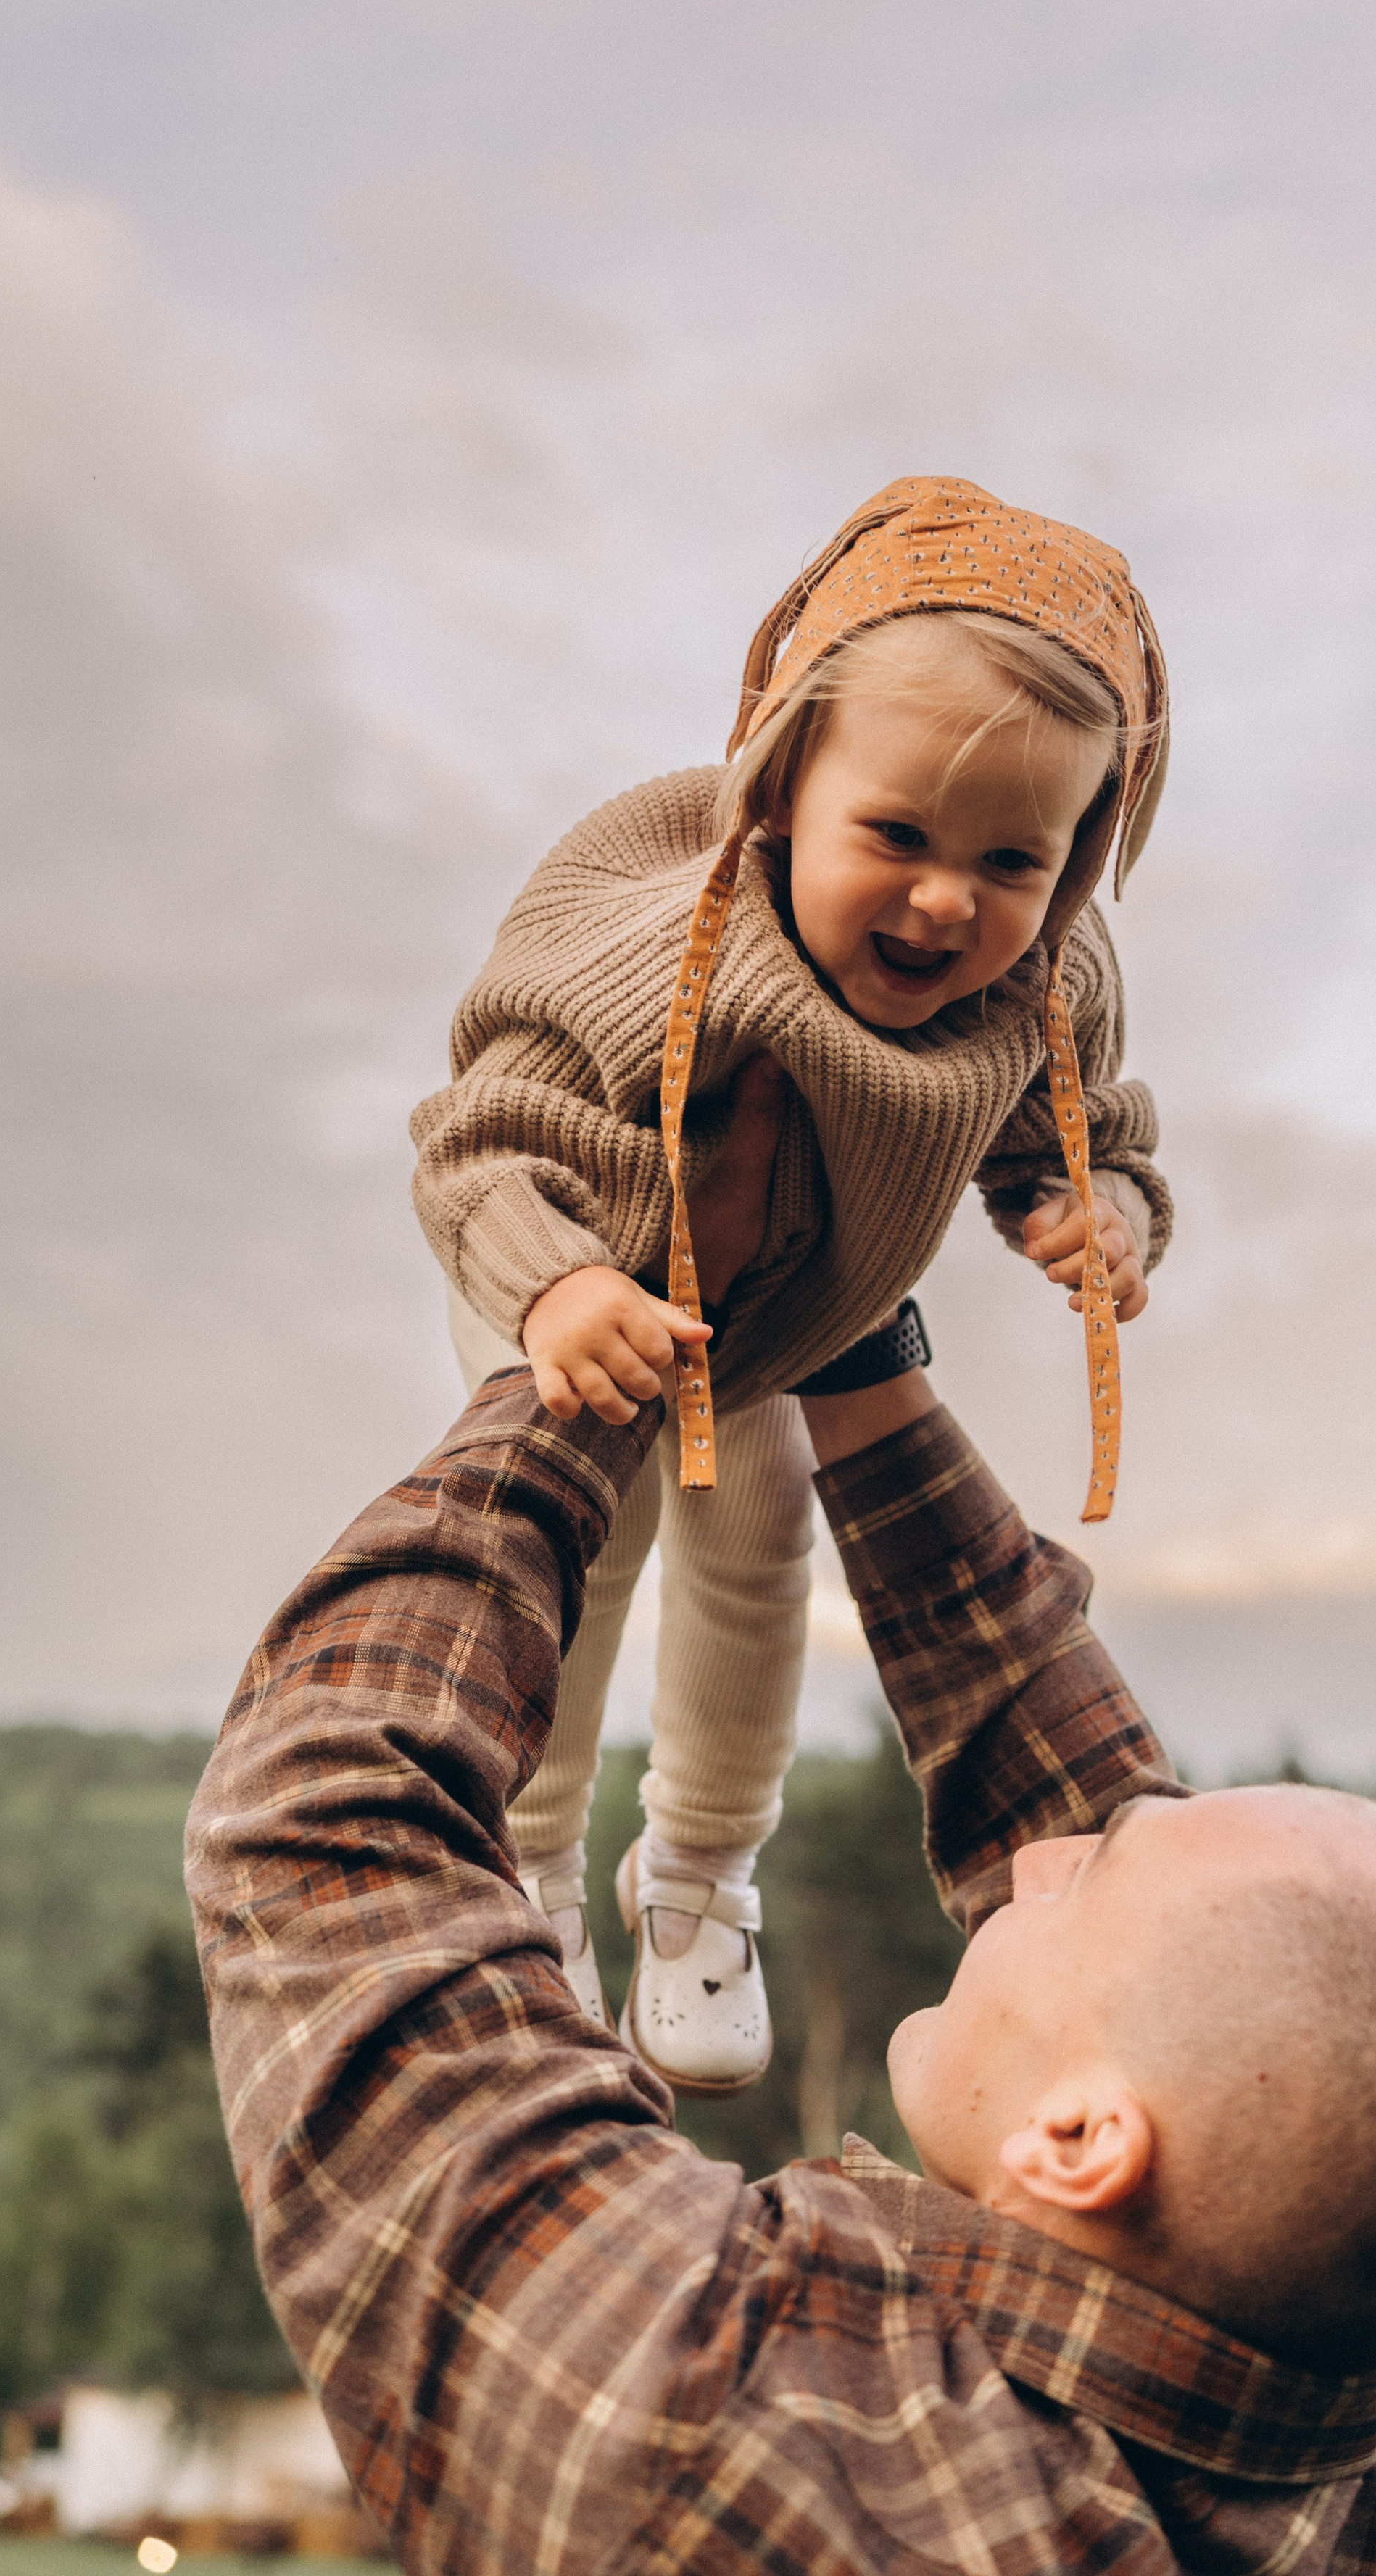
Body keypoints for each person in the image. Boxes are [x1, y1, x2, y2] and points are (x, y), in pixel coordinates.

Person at [187, 1363, 1376, 2575]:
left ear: (1085, 2137)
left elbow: (324, 1827)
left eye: (1083, 1878)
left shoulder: (757, 2441)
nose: (1043, 1857)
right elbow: (1191, 1955)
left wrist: (588, 1351)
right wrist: (861, 1350)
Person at [409, 475, 1173, 2088]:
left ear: (1078, 860)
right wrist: (552, 1292)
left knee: (757, 1564)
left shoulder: (1042, 986)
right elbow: (477, 1141)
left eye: (1013, 859)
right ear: (776, 791)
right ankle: (534, 1862)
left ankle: (693, 1874)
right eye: (893, 834)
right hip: (577, 1275)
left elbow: (1080, 1129)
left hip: (785, 1321)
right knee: (588, 1557)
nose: (948, 898)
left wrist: (1099, 1207)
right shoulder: (654, 939)